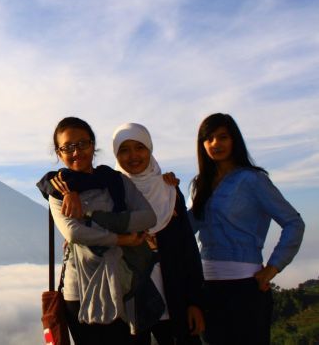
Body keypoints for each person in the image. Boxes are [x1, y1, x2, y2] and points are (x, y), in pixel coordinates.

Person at [36, 117, 157, 345]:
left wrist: (93, 217)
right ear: (58, 153)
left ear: (93, 145)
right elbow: (74, 233)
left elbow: (148, 217)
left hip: (123, 283)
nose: (76, 152)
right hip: (79, 290)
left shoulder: (116, 181)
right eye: (67, 147)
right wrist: (122, 239)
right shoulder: (58, 190)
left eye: (82, 144)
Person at [189, 113, 305, 345]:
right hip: (207, 289)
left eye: (222, 137)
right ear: (202, 145)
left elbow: (294, 223)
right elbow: (185, 231)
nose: (215, 144)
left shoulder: (253, 180)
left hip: (245, 288)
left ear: (234, 141)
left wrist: (273, 268)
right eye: (209, 138)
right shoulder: (201, 184)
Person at [112, 122, 205, 345]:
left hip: (175, 298)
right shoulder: (112, 194)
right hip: (131, 304)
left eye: (139, 147)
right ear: (116, 154)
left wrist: (195, 302)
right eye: (124, 149)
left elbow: (188, 249)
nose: (133, 155)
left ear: (150, 149)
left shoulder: (169, 191)